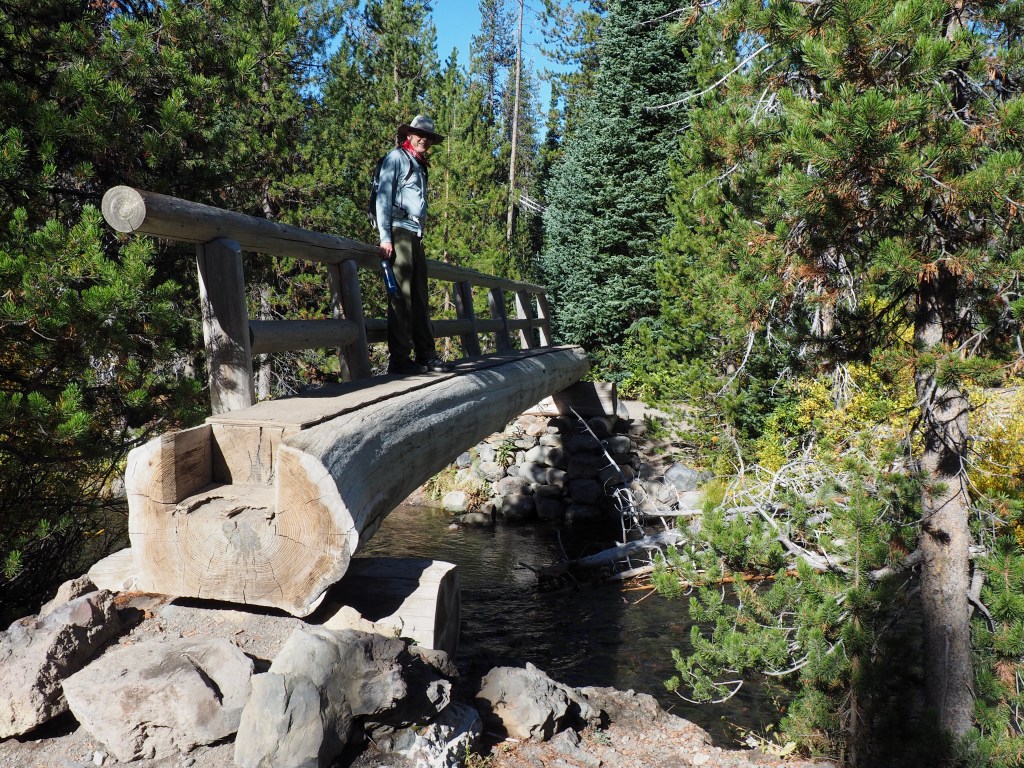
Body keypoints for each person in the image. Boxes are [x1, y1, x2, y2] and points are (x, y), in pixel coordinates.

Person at [375, 114, 453, 375]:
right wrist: (385, 237)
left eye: (428, 136)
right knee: (401, 296)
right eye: (420, 134)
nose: (424, 139)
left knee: (419, 296)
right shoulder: (397, 157)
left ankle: (426, 356)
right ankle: (399, 359)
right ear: (408, 134)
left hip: (415, 234)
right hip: (399, 232)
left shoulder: (418, 163)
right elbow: (383, 198)